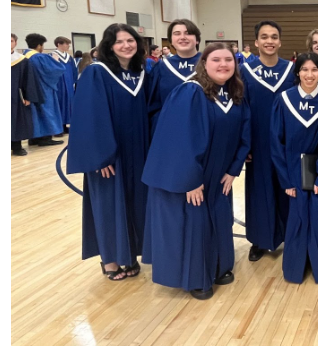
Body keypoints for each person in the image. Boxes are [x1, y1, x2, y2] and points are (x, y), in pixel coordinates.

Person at [142, 43, 251, 300]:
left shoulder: (233, 93)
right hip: (194, 176)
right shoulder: (191, 92)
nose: (223, 64)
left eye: (228, 59)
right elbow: (179, 139)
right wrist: (189, 180)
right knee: (196, 223)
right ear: (204, 63)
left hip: (220, 174)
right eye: (216, 60)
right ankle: (195, 278)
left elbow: (244, 134)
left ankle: (218, 266)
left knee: (220, 219)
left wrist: (234, 169)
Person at [66, 23, 150, 281]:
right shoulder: (96, 72)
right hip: (109, 155)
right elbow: (89, 117)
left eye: (130, 40)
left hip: (139, 150)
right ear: (109, 46)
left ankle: (130, 255)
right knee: (109, 205)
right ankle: (110, 260)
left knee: (135, 203)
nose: (126, 45)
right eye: (119, 42)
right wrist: (100, 156)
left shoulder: (141, 72)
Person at [271, 53, 318, 284]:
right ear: (297, 72)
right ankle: (295, 268)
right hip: (292, 168)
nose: (309, 75)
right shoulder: (284, 99)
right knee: (298, 217)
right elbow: (276, 142)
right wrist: (286, 180)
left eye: (314, 70)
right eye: (305, 69)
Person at [240, 20, 295, 261]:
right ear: (256, 42)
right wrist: (244, 144)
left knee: (288, 189)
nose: (269, 41)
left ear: (280, 41)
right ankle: (260, 240)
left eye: (274, 36)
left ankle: (291, 236)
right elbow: (241, 109)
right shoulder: (244, 70)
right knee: (259, 190)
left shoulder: (292, 70)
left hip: (287, 141)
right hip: (258, 142)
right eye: (264, 37)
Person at [148, 19, 202, 132]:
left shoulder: (212, 64)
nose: (182, 37)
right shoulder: (162, 67)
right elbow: (154, 107)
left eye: (188, 33)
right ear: (171, 41)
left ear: (197, 40)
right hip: (171, 130)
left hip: (205, 128)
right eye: (177, 34)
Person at [23, 33, 65, 146]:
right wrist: (56, 61)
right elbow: (55, 70)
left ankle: (34, 138)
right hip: (44, 89)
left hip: (30, 90)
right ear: (39, 45)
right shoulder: (40, 57)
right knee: (47, 112)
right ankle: (46, 138)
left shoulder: (24, 56)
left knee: (35, 114)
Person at [11, 33, 42, 156]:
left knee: (16, 120)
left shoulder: (21, 60)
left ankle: (17, 147)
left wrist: (28, 97)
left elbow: (28, 80)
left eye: (11, 41)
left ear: (16, 43)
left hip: (15, 97)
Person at [53, 36, 77, 134]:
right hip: (59, 85)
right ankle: (59, 128)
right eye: (66, 44)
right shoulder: (53, 56)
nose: (68, 46)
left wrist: (73, 82)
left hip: (69, 84)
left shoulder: (69, 58)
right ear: (59, 44)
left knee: (68, 104)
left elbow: (74, 71)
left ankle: (66, 125)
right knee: (60, 103)